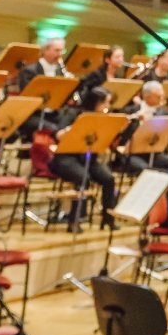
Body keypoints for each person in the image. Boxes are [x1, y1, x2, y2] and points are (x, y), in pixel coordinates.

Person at [52, 86, 119, 230]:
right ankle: (74, 221)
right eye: (105, 103)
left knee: (109, 179)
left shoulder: (102, 118)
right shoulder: (73, 113)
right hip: (66, 158)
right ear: (95, 102)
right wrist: (75, 128)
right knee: (83, 177)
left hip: (88, 158)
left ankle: (108, 218)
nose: (107, 107)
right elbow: (57, 135)